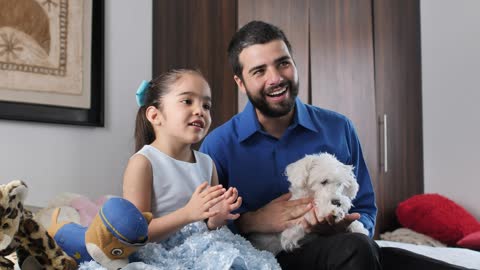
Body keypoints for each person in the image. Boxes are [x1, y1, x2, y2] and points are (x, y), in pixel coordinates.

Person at [200, 21, 382, 270]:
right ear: (240, 83)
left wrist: (342, 225)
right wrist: (249, 222)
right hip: (256, 260)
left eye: (283, 63)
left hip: (334, 251)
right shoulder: (218, 145)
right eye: (259, 71)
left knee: (373, 251)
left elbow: (364, 207)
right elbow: (203, 229)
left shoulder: (339, 128)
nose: (275, 78)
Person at [123, 69, 243, 242]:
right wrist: (187, 214)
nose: (200, 111)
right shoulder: (143, 163)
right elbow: (136, 233)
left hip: (203, 253)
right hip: (161, 257)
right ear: (155, 115)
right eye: (187, 101)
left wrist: (216, 219)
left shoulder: (207, 164)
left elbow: (208, 228)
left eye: (206, 106)